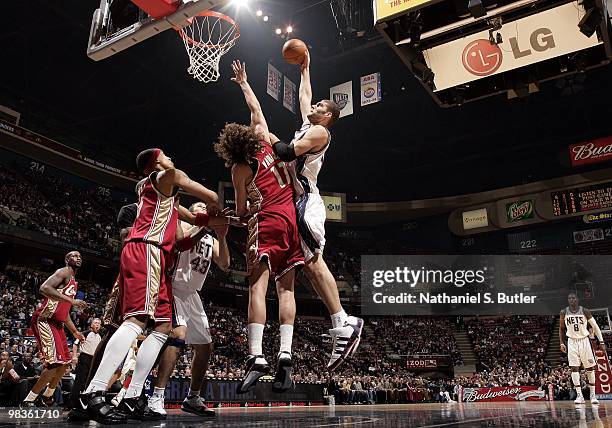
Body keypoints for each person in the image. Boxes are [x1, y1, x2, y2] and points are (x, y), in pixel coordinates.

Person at [83, 148, 232, 423]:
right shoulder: (168, 175)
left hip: (159, 259)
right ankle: (93, 392)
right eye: (167, 155)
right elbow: (210, 197)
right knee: (136, 320)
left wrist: (227, 220)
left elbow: (191, 227)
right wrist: (219, 207)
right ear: (158, 162)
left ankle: (132, 396)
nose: (173, 158)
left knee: (164, 327)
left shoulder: (166, 199)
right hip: (146, 250)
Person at [269, 50, 363, 370]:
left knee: (313, 260)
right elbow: (305, 96)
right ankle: (342, 322)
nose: (314, 107)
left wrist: (258, 134)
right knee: (308, 265)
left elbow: (284, 152)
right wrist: (306, 68)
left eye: (321, 107)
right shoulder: (310, 126)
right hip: (297, 201)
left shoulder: (320, 132)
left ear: (328, 117)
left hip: (308, 201)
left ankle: (343, 323)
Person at [214, 60, 304, 394]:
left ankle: (256, 356)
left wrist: (235, 213)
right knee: (287, 290)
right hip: (290, 221)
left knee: (256, 287)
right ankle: (285, 352)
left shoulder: (240, 168)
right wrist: (243, 82)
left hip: (265, 221)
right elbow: (256, 107)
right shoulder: (266, 139)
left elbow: (240, 211)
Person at [148, 201, 230, 417]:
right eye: (201, 207)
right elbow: (181, 242)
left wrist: (221, 234)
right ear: (192, 213)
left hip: (192, 294)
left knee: (205, 347)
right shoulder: (183, 224)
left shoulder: (210, 238)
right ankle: (156, 395)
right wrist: (204, 222)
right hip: (174, 287)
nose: (206, 209)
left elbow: (225, 264)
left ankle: (193, 397)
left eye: (206, 208)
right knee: (178, 335)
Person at [22, 251, 87, 407]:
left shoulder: (73, 281)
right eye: (74, 256)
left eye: (80, 257)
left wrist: (75, 332)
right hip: (45, 320)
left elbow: (64, 313)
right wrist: (72, 300)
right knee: (54, 363)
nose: (78, 258)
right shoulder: (63, 272)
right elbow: (44, 288)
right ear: (67, 259)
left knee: (65, 364)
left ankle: (48, 395)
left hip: (58, 323)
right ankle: (29, 399)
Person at [560, 292, 606, 405]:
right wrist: (561, 343)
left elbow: (595, 326)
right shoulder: (563, 312)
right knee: (574, 368)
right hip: (571, 342)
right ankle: (579, 395)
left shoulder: (585, 311)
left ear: (577, 299)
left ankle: (593, 395)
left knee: (590, 368)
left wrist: (601, 341)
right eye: (569, 298)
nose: (571, 299)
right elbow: (561, 329)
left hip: (584, 340)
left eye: (573, 298)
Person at [68, 318, 102, 408]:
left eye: (99, 323)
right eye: (95, 323)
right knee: (79, 380)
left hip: (94, 360)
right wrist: (74, 356)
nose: (97, 325)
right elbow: (75, 344)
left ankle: (85, 402)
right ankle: (72, 402)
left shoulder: (100, 336)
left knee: (89, 381)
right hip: (84, 357)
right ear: (91, 325)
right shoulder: (85, 333)